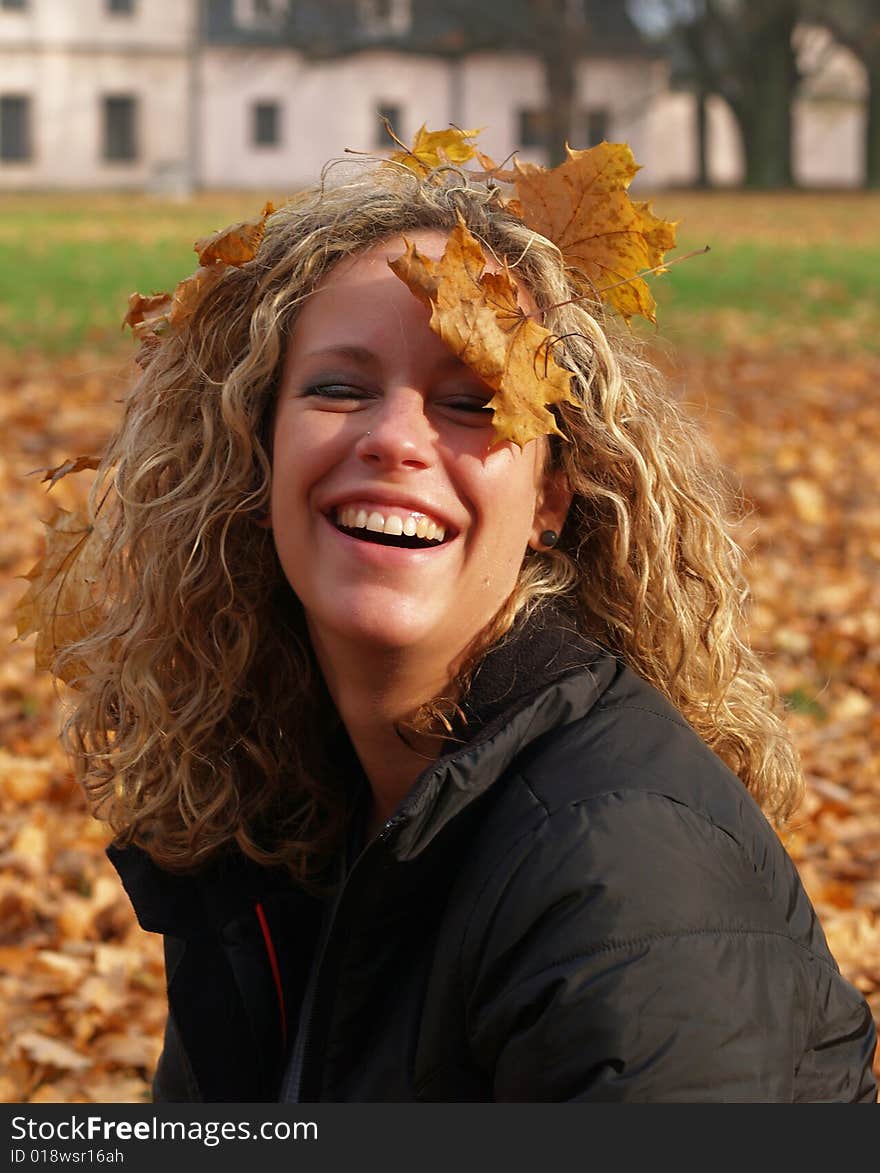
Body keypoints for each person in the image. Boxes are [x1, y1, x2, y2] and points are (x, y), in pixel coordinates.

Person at [51, 143, 876, 1103]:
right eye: (338, 388)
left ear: (551, 500)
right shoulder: (284, 808)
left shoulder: (622, 866)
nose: (396, 438)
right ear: (255, 454)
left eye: (472, 403)